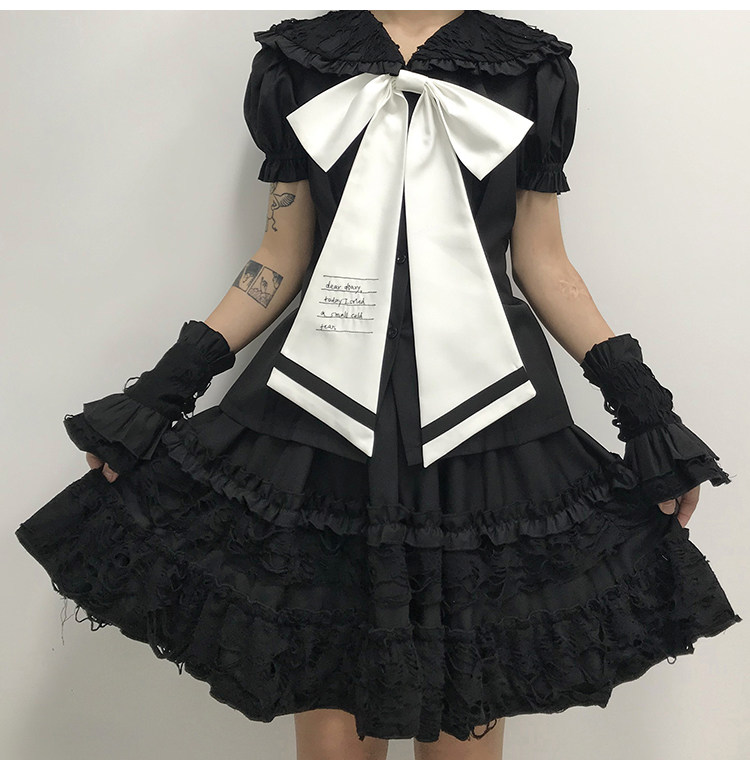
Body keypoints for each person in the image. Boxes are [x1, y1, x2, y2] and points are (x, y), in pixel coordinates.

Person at [14, 9, 742, 761]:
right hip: (323, 408)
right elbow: (279, 257)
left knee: (467, 710)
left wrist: (646, 414)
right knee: (331, 715)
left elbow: (543, 262)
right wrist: (161, 395)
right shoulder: (300, 62)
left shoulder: (533, 70)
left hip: (482, 414)